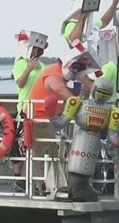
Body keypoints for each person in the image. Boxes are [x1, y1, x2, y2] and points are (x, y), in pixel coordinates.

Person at [24, 42, 100, 195]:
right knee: (47, 154)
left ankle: (55, 186)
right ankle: (45, 188)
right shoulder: (53, 73)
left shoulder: (63, 75)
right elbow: (60, 88)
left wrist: (91, 91)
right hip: (39, 120)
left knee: (58, 153)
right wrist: (80, 104)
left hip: (52, 119)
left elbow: (78, 87)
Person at [45, 78, 119, 202]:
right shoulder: (78, 103)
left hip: (94, 140)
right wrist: (51, 114)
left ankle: (81, 189)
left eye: (106, 93)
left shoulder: (113, 111)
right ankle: (76, 188)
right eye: (101, 92)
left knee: (87, 168)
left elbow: (112, 137)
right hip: (81, 138)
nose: (102, 96)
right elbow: (60, 123)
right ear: (94, 90)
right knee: (76, 165)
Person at [11, 30, 48, 192]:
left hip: (41, 111)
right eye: (33, 49)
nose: (35, 52)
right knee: (20, 145)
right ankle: (17, 178)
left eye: (38, 50)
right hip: (25, 110)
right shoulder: (20, 64)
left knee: (42, 147)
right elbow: (20, 83)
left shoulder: (43, 66)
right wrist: (28, 70)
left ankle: (43, 181)